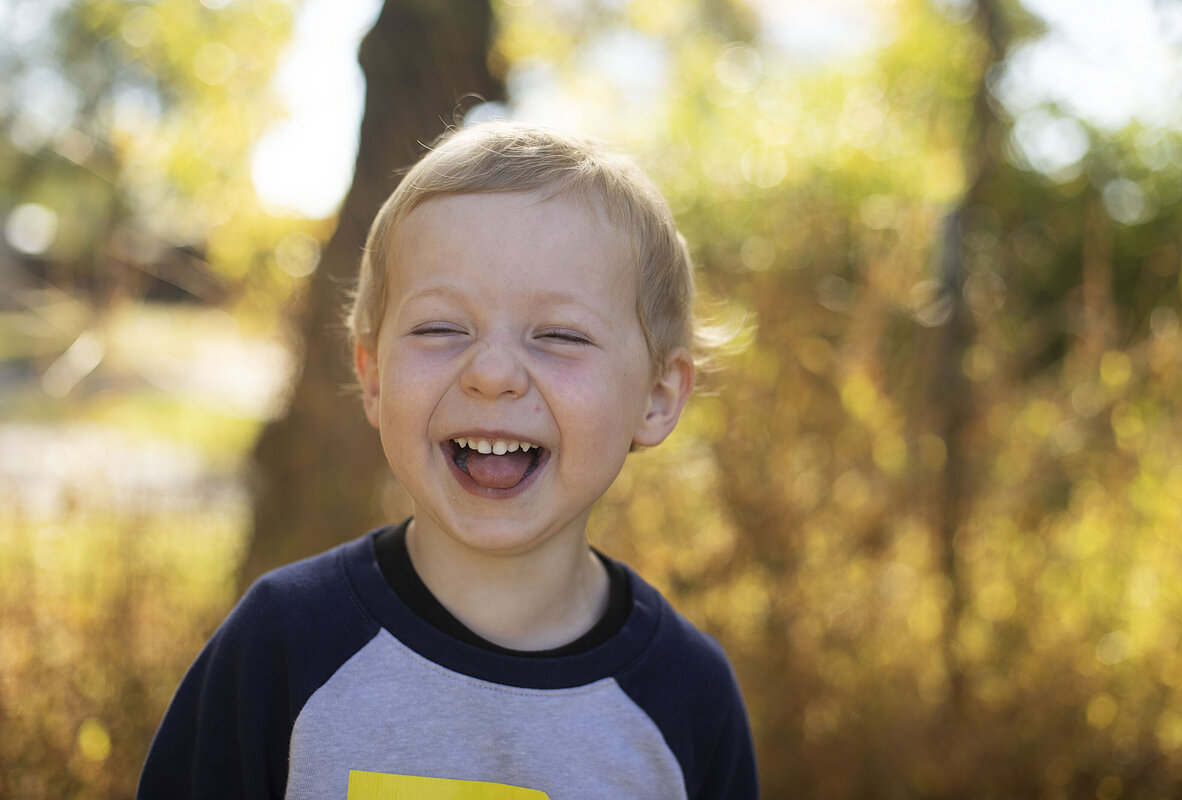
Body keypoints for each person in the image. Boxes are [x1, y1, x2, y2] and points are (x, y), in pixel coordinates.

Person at [138, 121, 758, 800]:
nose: (492, 374)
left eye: (558, 334)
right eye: (440, 328)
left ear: (658, 397)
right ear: (373, 378)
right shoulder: (282, 646)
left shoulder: (688, 696)